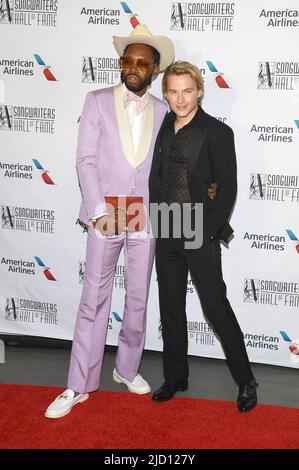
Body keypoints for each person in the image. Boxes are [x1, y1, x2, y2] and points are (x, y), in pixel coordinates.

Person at [44, 24, 175, 419]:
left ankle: (127, 368)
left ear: (154, 70)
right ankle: (79, 383)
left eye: (142, 62)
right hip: (107, 212)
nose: (133, 67)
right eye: (128, 60)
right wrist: (99, 210)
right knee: (94, 298)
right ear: (121, 63)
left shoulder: (164, 109)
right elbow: (85, 160)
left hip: (145, 214)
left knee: (137, 297)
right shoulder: (97, 100)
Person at [149, 61, 258, 413]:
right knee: (170, 307)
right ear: (165, 93)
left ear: (199, 91)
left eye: (187, 91)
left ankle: (246, 381)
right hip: (166, 224)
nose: (180, 99)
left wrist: (209, 230)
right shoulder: (162, 125)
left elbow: (227, 188)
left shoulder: (217, 132)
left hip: (197, 227)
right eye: (173, 91)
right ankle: (175, 377)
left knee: (215, 307)